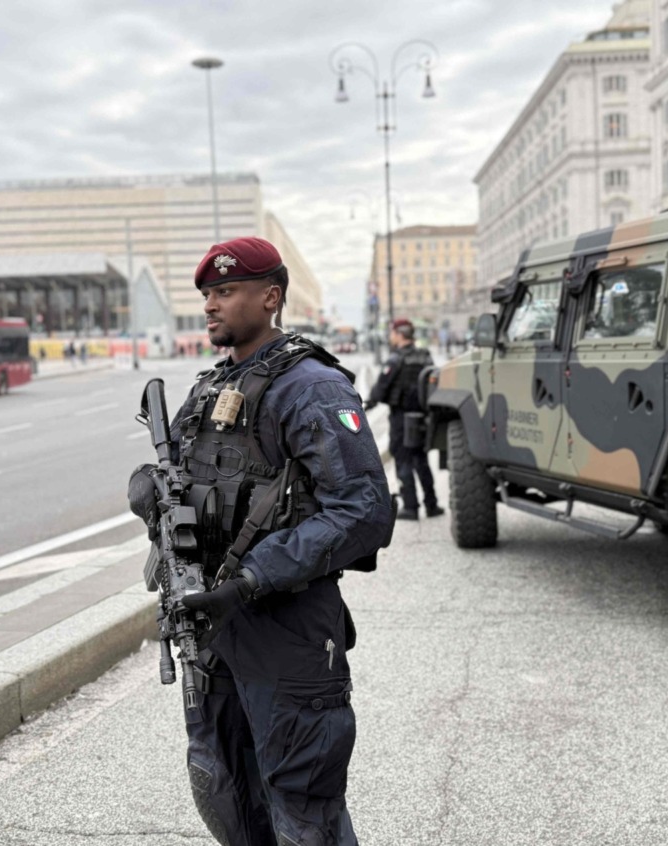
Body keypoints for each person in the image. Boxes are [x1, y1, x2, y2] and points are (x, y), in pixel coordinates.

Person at [129, 236, 393, 846]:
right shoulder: (211, 388)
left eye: (225, 291)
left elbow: (365, 510)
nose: (210, 306)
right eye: (206, 295)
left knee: (303, 808)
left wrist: (250, 580)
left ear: (270, 297)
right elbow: (196, 488)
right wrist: (152, 493)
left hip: (286, 629)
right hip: (212, 631)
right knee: (225, 789)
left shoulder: (311, 386)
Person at [365, 318, 442, 521]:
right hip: (421, 417)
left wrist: (369, 403)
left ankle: (411, 507)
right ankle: (432, 505)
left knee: (403, 459)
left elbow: (381, 387)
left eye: (392, 333)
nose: (391, 337)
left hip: (400, 418)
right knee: (421, 460)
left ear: (399, 334)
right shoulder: (425, 356)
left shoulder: (395, 359)